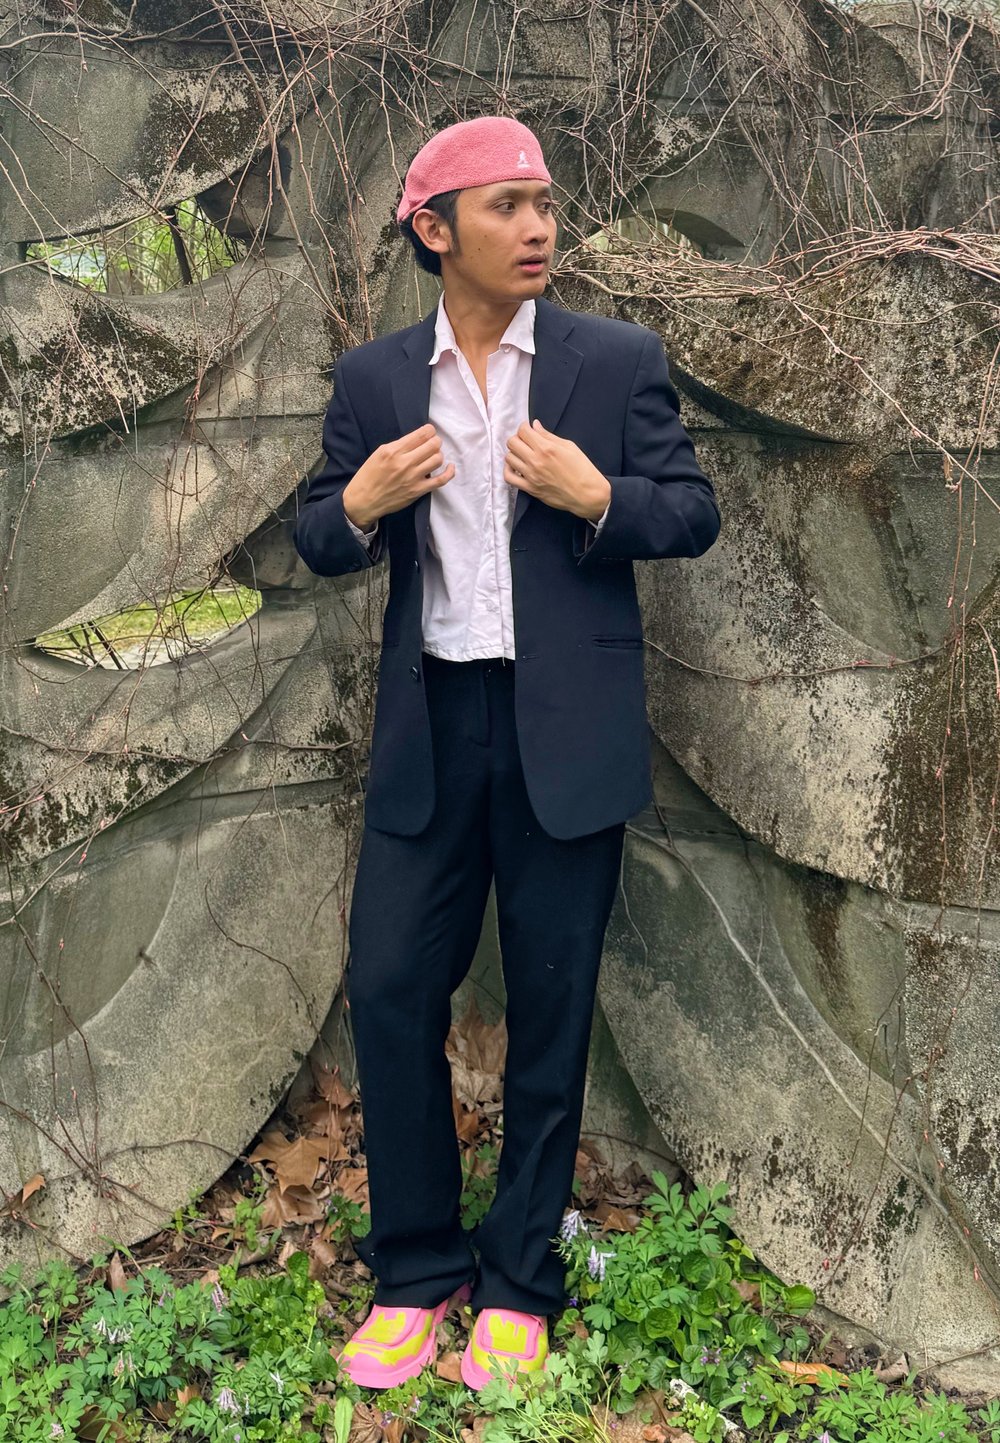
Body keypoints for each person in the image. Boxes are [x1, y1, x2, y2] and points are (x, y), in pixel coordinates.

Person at [293, 114, 720, 1393]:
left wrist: (599, 498)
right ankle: (417, 1271)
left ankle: (519, 1279)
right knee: (386, 990)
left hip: (564, 737)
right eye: (506, 206)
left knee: (551, 1008)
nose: (539, 227)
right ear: (434, 231)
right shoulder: (375, 382)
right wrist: (359, 505)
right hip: (432, 730)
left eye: (545, 202)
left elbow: (690, 513)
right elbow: (315, 535)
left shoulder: (614, 361)